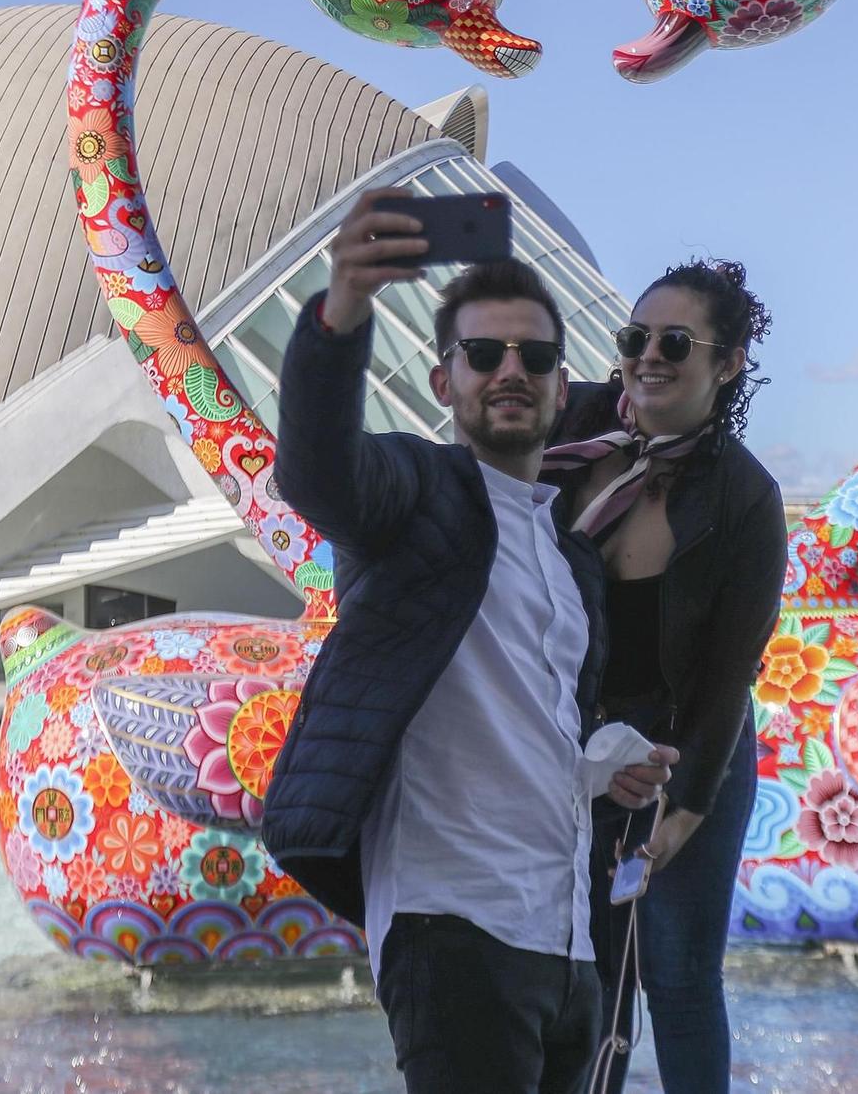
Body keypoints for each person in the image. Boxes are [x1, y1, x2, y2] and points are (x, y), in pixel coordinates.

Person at [262, 190, 677, 1094]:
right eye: (483, 353)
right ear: (443, 379)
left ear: (565, 386)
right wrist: (343, 309)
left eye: (534, 355)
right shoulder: (413, 493)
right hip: (452, 924)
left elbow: (534, 733)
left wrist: (608, 770)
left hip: (563, 939)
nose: (510, 370)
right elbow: (316, 468)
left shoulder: (572, 563)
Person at [542, 259, 786, 1094]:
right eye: (633, 338)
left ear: (728, 363)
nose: (648, 356)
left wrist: (682, 812)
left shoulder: (746, 499)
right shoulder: (563, 422)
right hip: (565, 741)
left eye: (675, 342)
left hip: (686, 749)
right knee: (583, 974)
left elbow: (727, 676)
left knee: (677, 978)